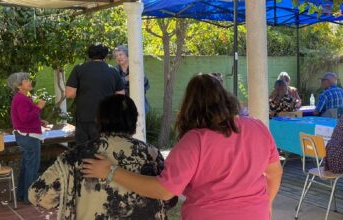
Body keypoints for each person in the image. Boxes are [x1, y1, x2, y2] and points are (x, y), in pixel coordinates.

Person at [81, 75, 283, 219]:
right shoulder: (257, 128)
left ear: (190, 106)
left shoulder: (195, 141)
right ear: (225, 98)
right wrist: (267, 204)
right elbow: (274, 173)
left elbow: (164, 190)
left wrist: (110, 171)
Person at [29, 95, 172, 219]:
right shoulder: (151, 154)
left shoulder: (76, 156)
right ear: (134, 120)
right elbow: (170, 198)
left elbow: (37, 195)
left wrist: (71, 197)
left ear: (99, 120)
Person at [66, 43, 125, 145]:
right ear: (105, 55)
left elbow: (69, 94)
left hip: (84, 118)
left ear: (89, 54)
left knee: (85, 152)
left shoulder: (79, 69)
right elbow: (120, 97)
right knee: (104, 152)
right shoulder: (113, 71)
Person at [7, 72, 46, 203]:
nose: (29, 82)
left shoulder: (22, 97)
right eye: (25, 81)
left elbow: (23, 117)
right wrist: (39, 108)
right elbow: (24, 118)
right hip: (29, 137)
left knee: (26, 166)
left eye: (28, 79)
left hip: (25, 135)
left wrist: (39, 121)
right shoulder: (22, 98)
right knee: (32, 168)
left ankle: (22, 194)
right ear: (19, 85)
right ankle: (30, 197)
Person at [114, 45, 150, 113]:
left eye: (120, 54)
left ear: (127, 55)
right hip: (122, 106)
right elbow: (114, 86)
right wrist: (126, 79)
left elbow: (146, 85)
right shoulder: (115, 70)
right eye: (116, 56)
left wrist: (140, 77)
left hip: (139, 104)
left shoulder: (136, 67)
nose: (118, 57)